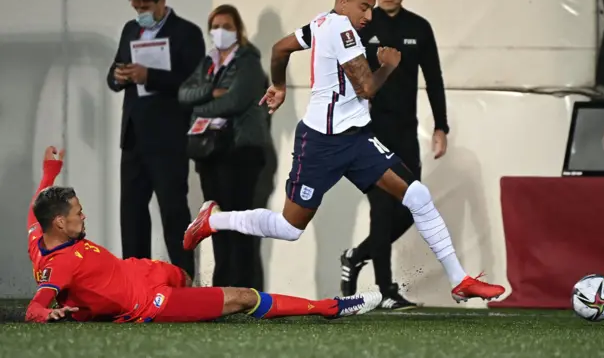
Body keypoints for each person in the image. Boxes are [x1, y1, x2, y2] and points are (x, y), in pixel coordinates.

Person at [183, 0, 505, 304]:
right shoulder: (341, 28)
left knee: (418, 195)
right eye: (364, 6)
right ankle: (216, 219)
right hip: (320, 144)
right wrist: (389, 65)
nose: (369, 14)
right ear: (343, 2)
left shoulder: (322, 22)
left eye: (371, 7)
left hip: (357, 140)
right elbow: (366, 88)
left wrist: (278, 84)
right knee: (290, 228)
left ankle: (459, 279)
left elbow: (280, 49)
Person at [25, 146, 381, 323]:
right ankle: (331, 307)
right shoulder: (62, 264)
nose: (83, 215)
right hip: (147, 303)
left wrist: (49, 171)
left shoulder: (37, 231)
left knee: (183, 275)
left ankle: (202, 295)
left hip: (137, 271)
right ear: (59, 223)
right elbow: (36, 305)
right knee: (242, 297)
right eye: (76, 213)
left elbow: (34, 204)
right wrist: (47, 314)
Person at [338, 0, 450, 309]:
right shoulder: (359, 27)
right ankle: (384, 291)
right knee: (382, 210)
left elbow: (434, 79)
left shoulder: (419, 27)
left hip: (404, 132)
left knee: (413, 206)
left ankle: (357, 255)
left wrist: (441, 126)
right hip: (370, 133)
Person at [106, 0, 205, 279]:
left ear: (162, 0)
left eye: (146, 7)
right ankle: (134, 282)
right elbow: (114, 72)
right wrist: (118, 76)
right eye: (136, 8)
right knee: (132, 212)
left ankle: (183, 279)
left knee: (174, 211)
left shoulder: (186, 33)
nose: (141, 15)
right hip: (133, 134)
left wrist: (150, 76)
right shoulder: (129, 30)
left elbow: (195, 84)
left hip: (168, 135)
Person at [178, 4, 270, 290]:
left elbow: (236, 101)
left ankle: (244, 288)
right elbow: (183, 93)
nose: (221, 32)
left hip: (240, 151)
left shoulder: (248, 63)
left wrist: (199, 107)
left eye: (227, 26)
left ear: (238, 29)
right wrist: (208, 92)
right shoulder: (208, 62)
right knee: (216, 222)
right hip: (210, 152)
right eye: (216, 26)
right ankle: (223, 287)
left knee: (240, 223)